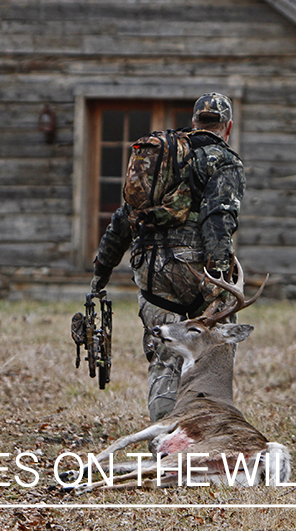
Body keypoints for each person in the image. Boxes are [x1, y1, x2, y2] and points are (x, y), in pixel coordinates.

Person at [90, 92, 245, 422]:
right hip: (200, 269)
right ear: (227, 127)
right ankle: (201, 436)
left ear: (193, 122)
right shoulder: (225, 161)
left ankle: (162, 442)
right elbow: (217, 221)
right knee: (212, 356)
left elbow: (123, 217)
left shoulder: (166, 156)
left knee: (165, 358)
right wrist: (218, 285)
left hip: (152, 270)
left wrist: (102, 270)